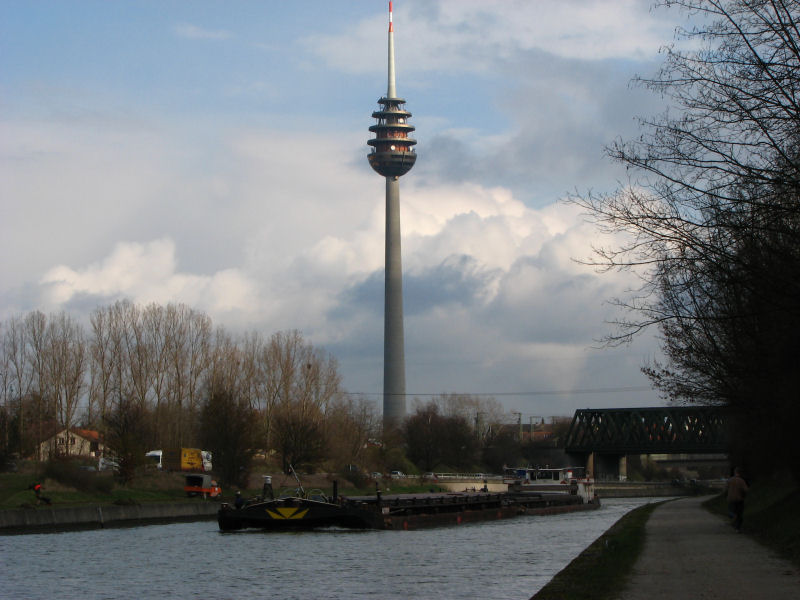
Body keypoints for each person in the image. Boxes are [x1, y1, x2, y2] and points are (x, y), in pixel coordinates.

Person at [726, 467, 748, 532]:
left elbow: (726, 489)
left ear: (735, 472)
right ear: (740, 473)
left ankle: (732, 516)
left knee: (731, 511)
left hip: (730, 499)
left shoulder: (729, 480)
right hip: (739, 499)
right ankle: (738, 528)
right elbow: (745, 490)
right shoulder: (741, 481)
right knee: (739, 514)